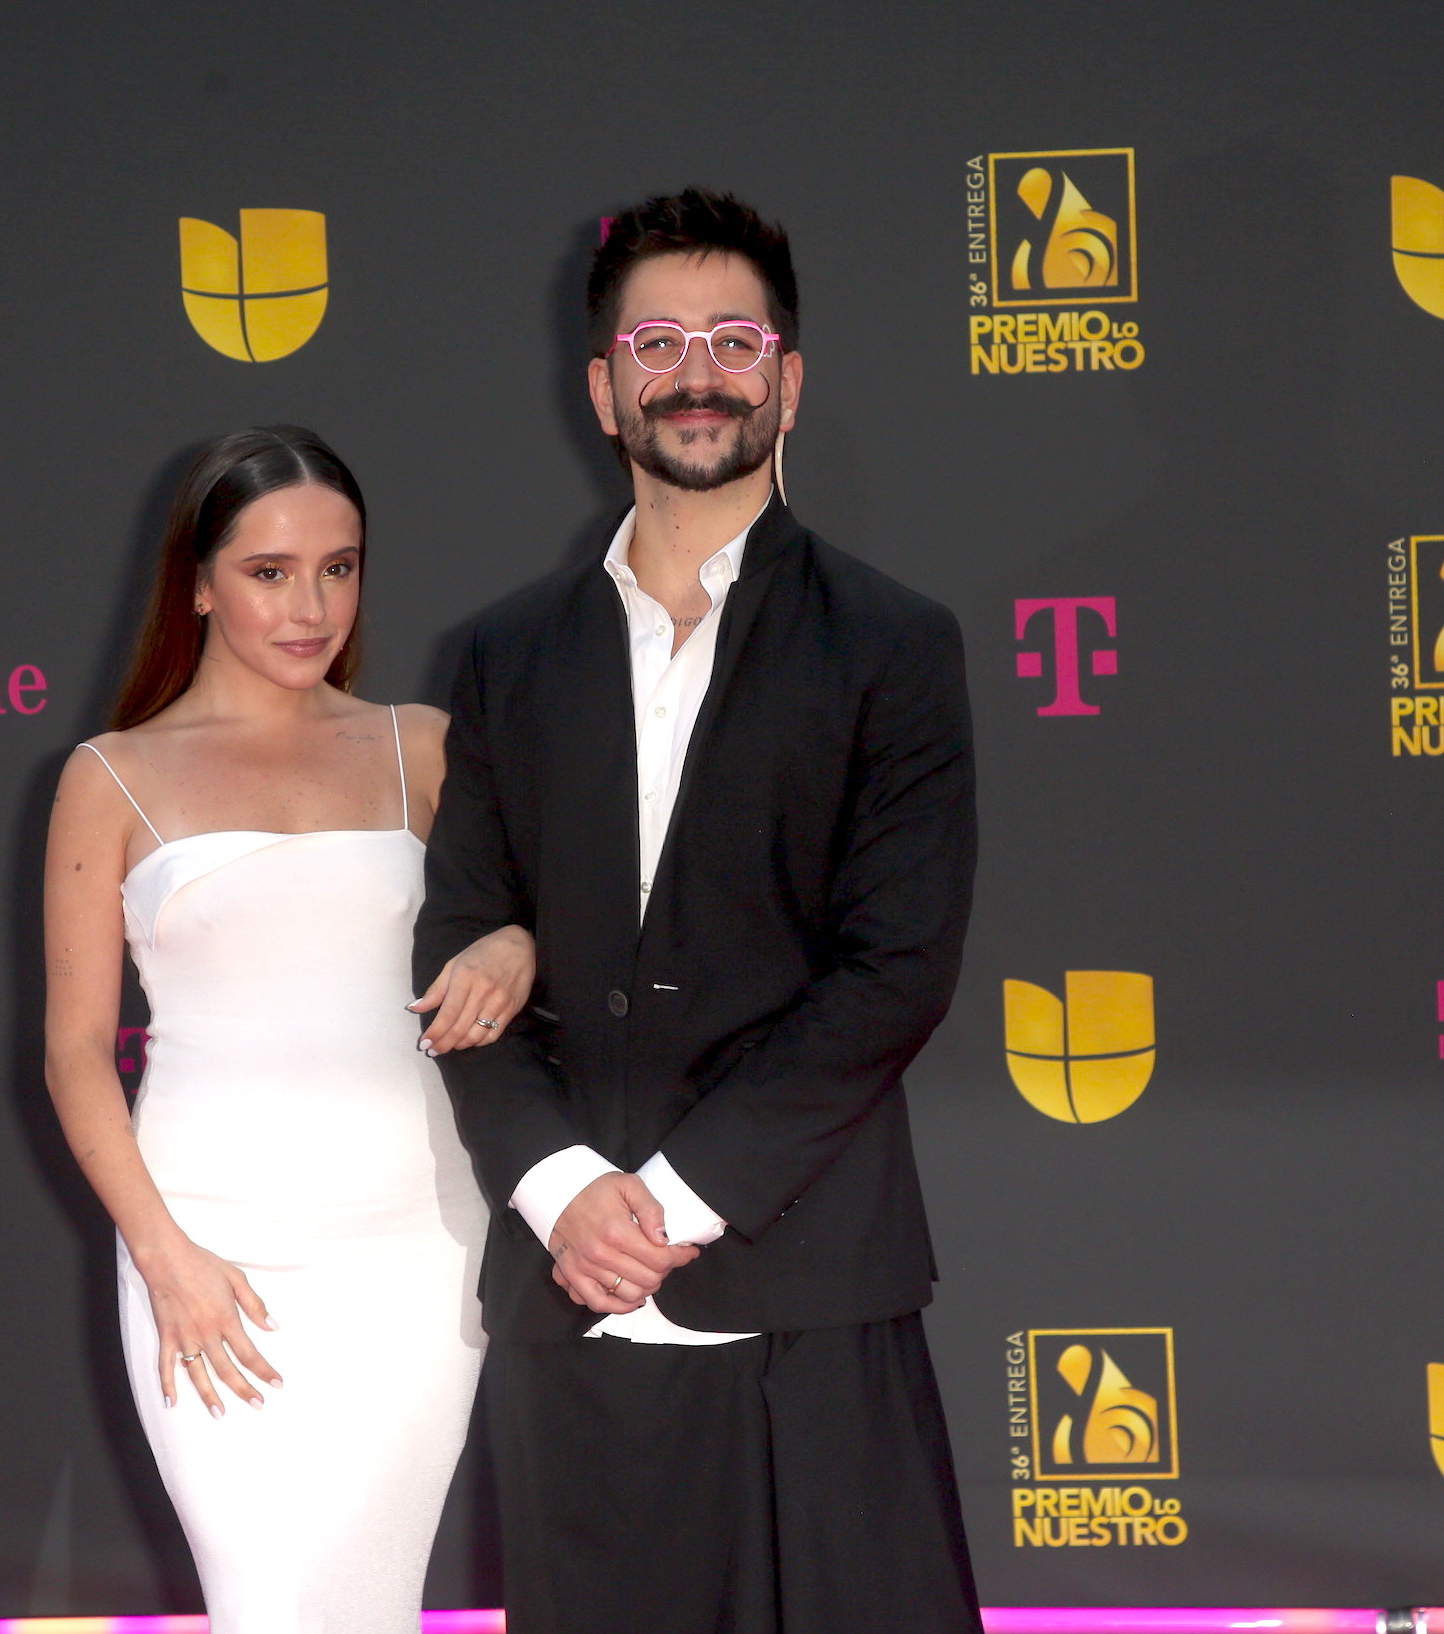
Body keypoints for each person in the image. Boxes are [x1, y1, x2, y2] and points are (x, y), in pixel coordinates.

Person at [412, 190, 982, 1633]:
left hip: (805, 1284)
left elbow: (894, 969)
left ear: (786, 381)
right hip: (572, 1298)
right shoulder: (499, 657)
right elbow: (459, 953)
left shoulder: (891, 643)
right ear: (601, 388)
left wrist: (658, 1205)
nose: (696, 371)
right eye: (654, 341)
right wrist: (560, 1195)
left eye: (734, 338)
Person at [42, 426, 533, 1633]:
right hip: (213, 1248)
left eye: (339, 566)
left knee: (375, 1601)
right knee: (267, 1603)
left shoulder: (424, 747)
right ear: (199, 584)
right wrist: (165, 1255)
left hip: (420, 1245)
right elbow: (70, 1052)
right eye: (269, 571)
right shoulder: (110, 776)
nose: (310, 605)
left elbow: (525, 930)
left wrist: (515, 945)